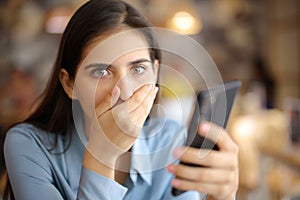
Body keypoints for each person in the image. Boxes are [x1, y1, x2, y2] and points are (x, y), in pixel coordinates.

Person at [4, 1, 239, 200]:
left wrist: (222, 197)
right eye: (101, 72)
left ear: (155, 74)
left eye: (138, 69)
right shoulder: (28, 145)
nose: (124, 92)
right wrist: (102, 156)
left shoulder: (171, 142)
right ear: (69, 84)